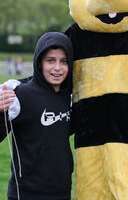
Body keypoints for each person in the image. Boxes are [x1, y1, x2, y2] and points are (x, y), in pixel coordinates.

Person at [0, 32, 74, 200]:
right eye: (50, 60)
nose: (57, 68)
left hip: (62, 191)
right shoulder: (20, 95)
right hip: (26, 193)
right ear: (39, 62)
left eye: (64, 61)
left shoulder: (69, 98)